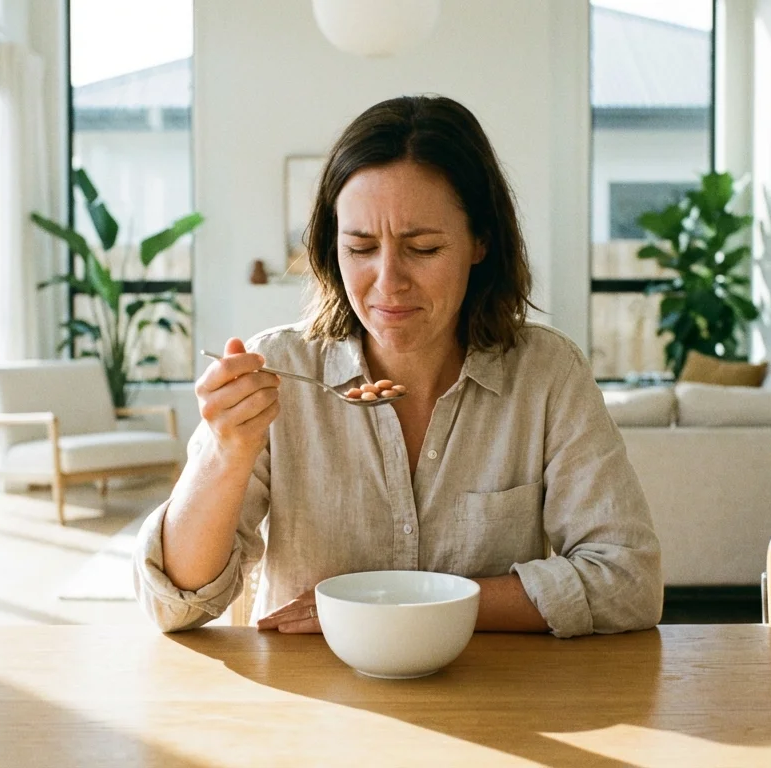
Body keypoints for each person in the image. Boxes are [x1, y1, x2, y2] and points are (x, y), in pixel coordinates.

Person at [134, 95, 662, 638]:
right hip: (311, 705)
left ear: (480, 241)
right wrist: (226, 452)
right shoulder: (280, 369)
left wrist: (402, 607)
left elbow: (629, 581)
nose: (388, 282)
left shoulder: (547, 375)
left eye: (425, 248)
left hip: (495, 703)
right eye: (360, 248)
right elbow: (175, 606)